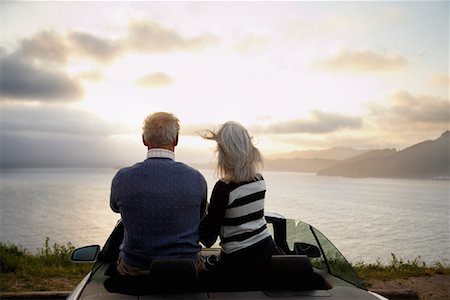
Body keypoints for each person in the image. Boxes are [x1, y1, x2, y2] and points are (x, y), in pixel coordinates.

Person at [110, 112, 207, 276]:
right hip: (186, 269)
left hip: (135, 269)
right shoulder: (196, 178)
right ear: (176, 139)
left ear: (144, 139)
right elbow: (200, 214)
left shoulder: (122, 178)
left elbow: (115, 207)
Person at [199, 121, 275, 289]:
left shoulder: (224, 188)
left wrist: (202, 209)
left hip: (238, 262)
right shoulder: (259, 180)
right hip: (266, 251)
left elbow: (207, 238)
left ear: (225, 153)